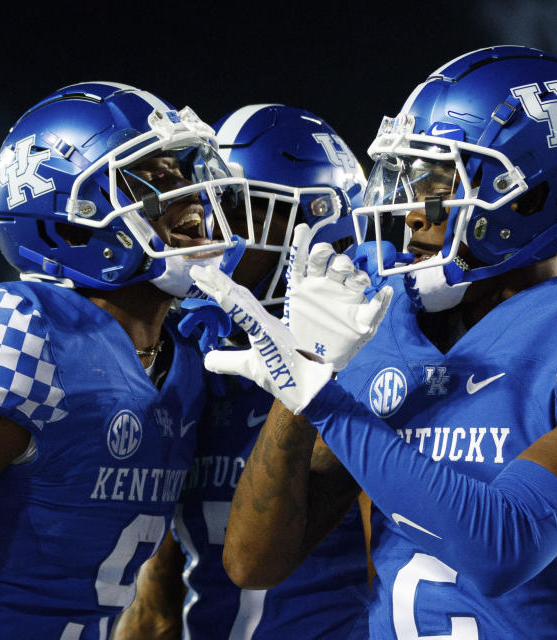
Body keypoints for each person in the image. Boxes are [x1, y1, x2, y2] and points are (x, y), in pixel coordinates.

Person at [188, 45, 557, 639]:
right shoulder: (388, 319)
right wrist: (301, 379)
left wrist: (327, 404)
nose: (412, 212)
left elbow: (503, 547)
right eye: (408, 178)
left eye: (438, 181)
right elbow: (255, 563)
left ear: (534, 194)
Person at [0, 81, 250, 639]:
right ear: (70, 215)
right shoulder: (21, 330)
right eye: (153, 180)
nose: (192, 198)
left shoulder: (187, 359)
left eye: (183, 174)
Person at [112, 104, 370, 639]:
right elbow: (159, 599)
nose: (210, 228)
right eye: (205, 203)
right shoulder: (190, 358)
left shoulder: (371, 369)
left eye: (235, 206)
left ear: (317, 228)